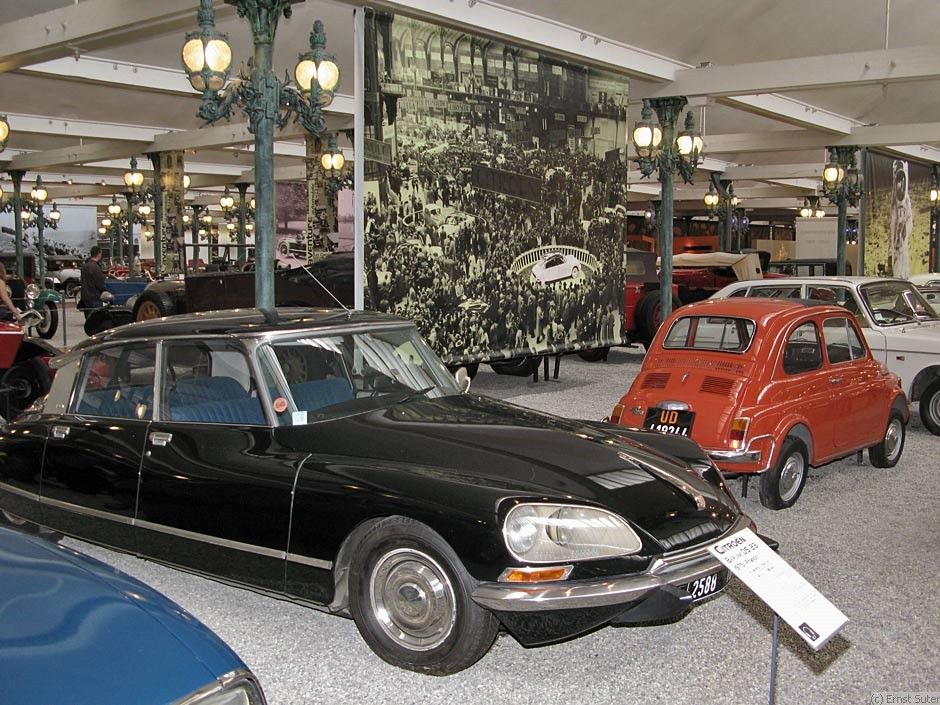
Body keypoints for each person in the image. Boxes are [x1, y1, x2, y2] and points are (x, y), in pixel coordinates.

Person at [79, 246, 107, 319]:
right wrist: (105, 291)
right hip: (95, 297)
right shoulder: (96, 267)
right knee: (97, 320)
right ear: (99, 254)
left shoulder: (84, 266)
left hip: (85, 297)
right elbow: (99, 284)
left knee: (89, 320)